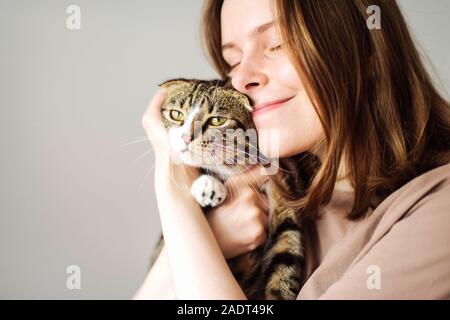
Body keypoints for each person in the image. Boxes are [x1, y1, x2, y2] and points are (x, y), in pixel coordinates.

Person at [134, 0, 450, 299]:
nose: (241, 79)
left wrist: (172, 190)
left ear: (367, 49)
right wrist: (204, 236)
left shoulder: (439, 209)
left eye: (277, 44)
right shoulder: (255, 191)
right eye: (233, 61)